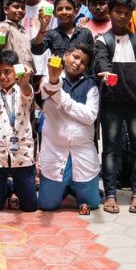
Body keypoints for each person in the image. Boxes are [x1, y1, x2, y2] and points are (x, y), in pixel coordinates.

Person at [95, 0, 136, 214]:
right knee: (111, 150)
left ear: (131, 15)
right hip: (111, 105)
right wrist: (106, 72)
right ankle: (110, 193)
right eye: (118, 12)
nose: (122, 16)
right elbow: (102, 63)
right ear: (110, 14)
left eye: (126, 13)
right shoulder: (103, 40)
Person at [38, 44, 101, 214]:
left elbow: (90, 116)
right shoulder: (50, 77)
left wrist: (60, 98)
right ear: (66, 55)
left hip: (82, 150)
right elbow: (47, 90)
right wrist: (54, 82)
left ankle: (73, 187)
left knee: (92, 203)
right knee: (47, 205)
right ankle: (65, 188)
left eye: (83, 62)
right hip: (55, 149)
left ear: (86, 67)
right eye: (75, 57)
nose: (77, 63)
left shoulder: (91, 86)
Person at [0, 50, 38, 212]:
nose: (3, 77)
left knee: (30, 207)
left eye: (7, 72)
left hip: (22, 155)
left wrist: (25, 80)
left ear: (16, 72)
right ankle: (8, 186)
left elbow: (26, 88)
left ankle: (16, 186)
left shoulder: (23, 91)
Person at [32, 0, 94, 65]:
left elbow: (92, 60)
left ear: (76, 12)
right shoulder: (51, 34)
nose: (64, 12)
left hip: (83, 75)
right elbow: (36, 50)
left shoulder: (85, 33)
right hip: (57, 75)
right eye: (60, 9)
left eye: (68, 8)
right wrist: (43, 27)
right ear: (54, 13)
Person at [0, 0, 34, 74]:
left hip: (27, 73)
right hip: (13, 73)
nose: (20, 10)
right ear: (6, 9)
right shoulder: (3, 26)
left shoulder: (23, 30)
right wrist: (0, 38)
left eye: (23, 8)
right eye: (16, 7)